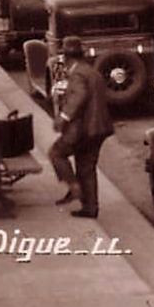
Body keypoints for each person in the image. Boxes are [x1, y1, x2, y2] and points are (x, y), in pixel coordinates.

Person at [48, 36, 113, 219]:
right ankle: (90, 207)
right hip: (100, 128)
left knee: (56, 153)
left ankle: (74, 186)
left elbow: (79, 96)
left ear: (67, 58)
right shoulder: (92, 72)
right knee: (86, 166)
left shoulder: (77, 74)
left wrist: (63, 118)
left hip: (85, 129)